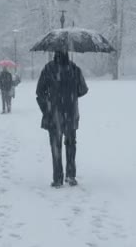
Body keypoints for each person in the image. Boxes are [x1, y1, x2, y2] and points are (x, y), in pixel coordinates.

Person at [36, 51, 88, 188]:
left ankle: (58, 178)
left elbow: (39, 92)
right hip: (70, 113)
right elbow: (83, 89)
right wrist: (71, 94)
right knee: (71, 144)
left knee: (55, 146)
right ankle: (70, 176)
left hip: (54, 114)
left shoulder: (48, 69)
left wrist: (47, 106)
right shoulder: (74, 69)